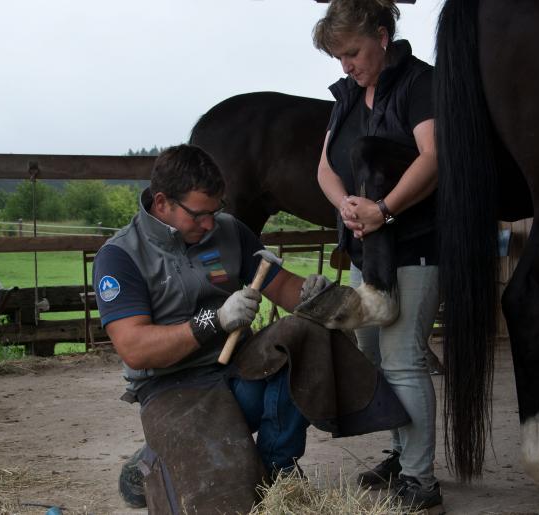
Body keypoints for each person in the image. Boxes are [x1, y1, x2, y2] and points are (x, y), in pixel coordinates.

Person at [93, 144, 331, 511]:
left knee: (302, 335)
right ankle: (155, 456)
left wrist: (313, 295)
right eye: (199, 215)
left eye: (215, 211)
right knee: (217, 500)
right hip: (173, 389)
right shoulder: (120, 256)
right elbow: (135, 347)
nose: (209, 224)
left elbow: (284, 288)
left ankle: (277, 470)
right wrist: (214, 320)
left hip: (237, 370)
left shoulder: (229, 231)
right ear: (162, 204)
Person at [312, 0, 442, 510]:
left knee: (404, 358)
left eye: (352, 52)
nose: (346, 65)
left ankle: (421, 481)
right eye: (338, 57)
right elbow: (325, 168)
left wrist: (384, 211)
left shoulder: (419, 83)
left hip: (416, 244)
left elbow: (433, 158)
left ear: (383, 36)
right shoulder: (345, 96)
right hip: (368, 249)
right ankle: (399, 453)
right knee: (374, 357)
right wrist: (344, 202)